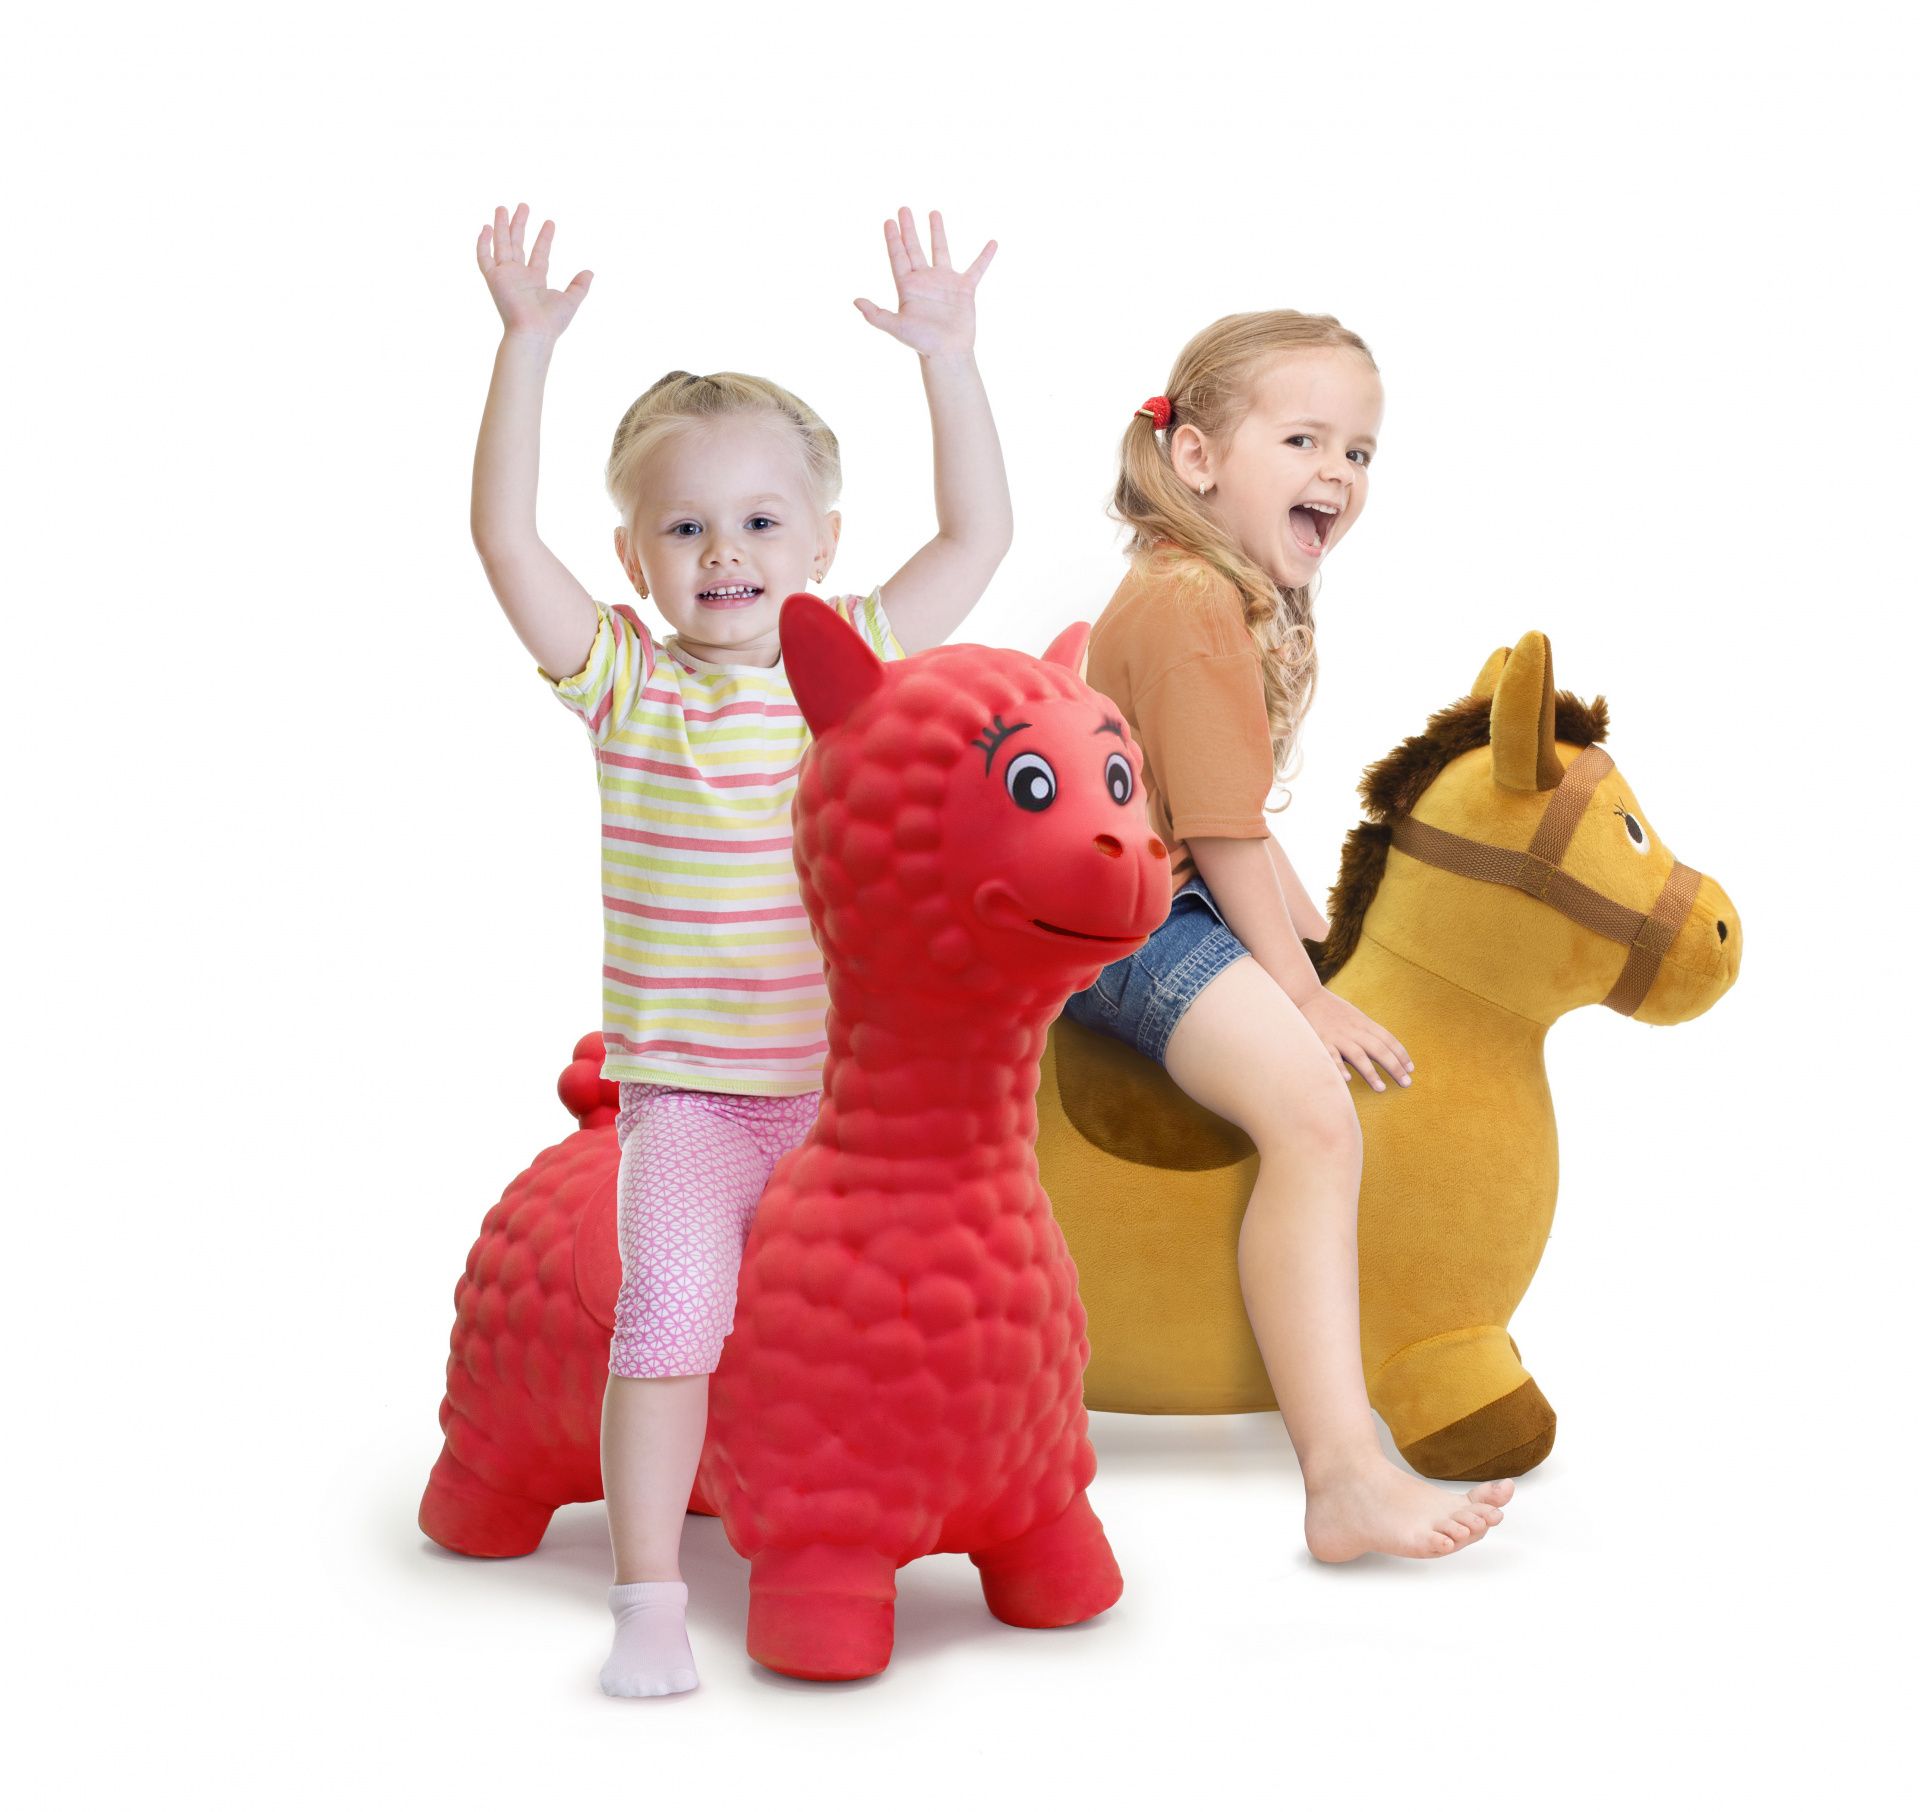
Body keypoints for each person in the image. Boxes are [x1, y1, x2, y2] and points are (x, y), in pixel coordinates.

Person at [470, 202, 1009, 1695]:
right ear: (635, 555)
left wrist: (948, 358)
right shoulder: (626, 686)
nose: (725, 550)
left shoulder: (855, 664)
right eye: (686, 526)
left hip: (847, 1100)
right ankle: (648, 1591)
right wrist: (525, 348)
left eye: (764, 521)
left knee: (883, 1315)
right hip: (695, 1101)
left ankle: (894, 1514)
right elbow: (503, 538)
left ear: (822, 543)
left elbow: (980, 537)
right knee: (670, 1319)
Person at [1062, 312, 1515, 1560]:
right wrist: (1302, 996)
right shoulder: (1196, 602)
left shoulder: (1204, 585)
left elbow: (1239, 825)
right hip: (1137, 917)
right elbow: (1214, 832)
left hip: (1182, 884)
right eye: (1305, 440)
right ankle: (1343, 1473)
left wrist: (1324, 949)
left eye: (1360, 452)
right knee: (1313, 1116)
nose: (1339, 473)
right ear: (1198, 457)